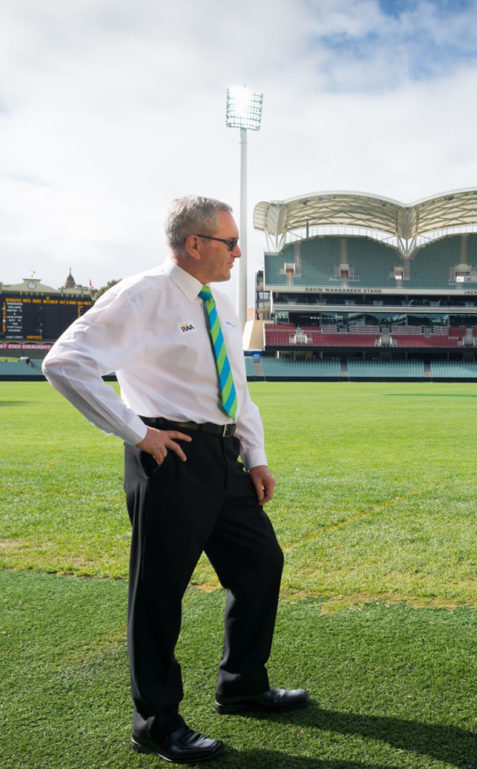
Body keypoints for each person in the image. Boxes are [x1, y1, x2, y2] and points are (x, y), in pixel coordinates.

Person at [43, 196, 307, 764]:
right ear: (194, 244)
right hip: (170, 456)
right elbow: (65, 362)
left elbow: (236, 386)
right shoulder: (143, 295)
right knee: (160, 591)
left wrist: (255, 456)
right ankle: (156, 721)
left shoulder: (221, 301)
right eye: (229, 243)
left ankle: (241, 683)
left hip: (223, 455)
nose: (239, 252)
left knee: (262, 562)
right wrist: (138, 432)